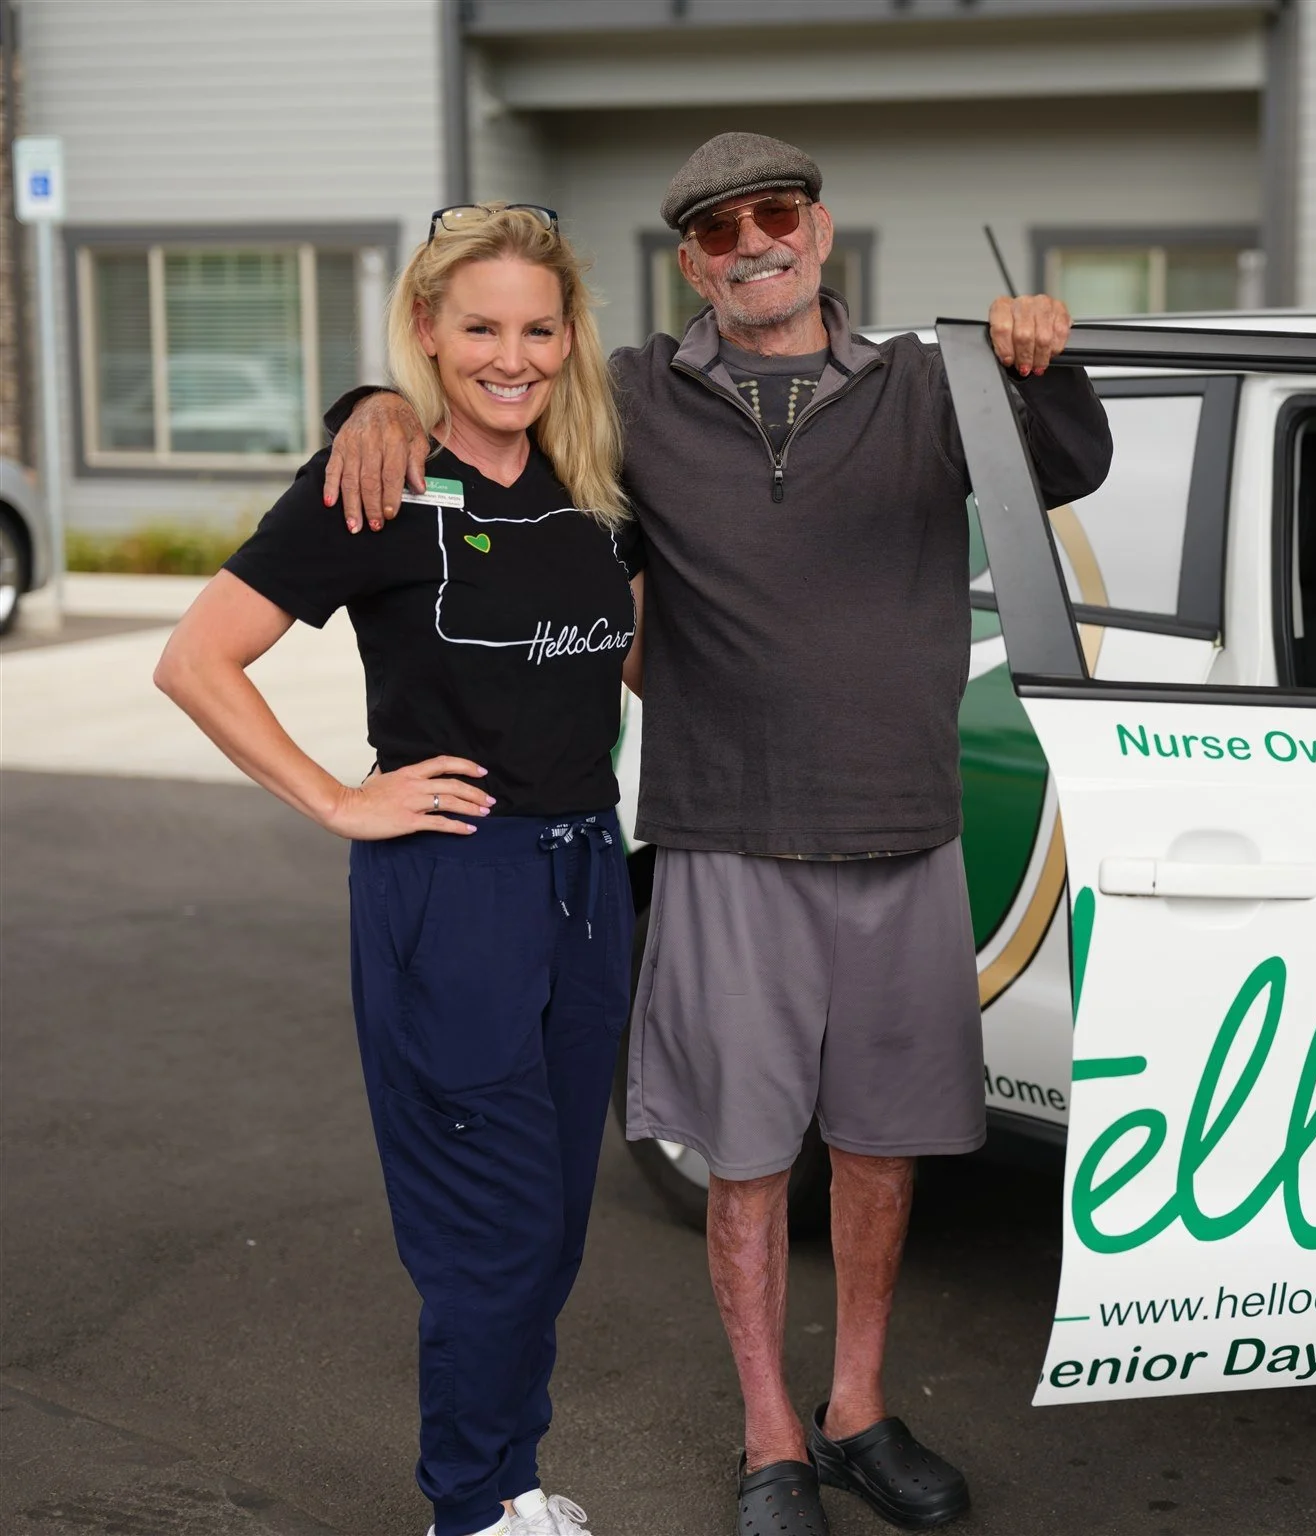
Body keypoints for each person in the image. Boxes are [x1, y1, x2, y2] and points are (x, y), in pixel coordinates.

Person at [326, 132, 1113, 1535]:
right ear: (690, 263)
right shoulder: (630, 396)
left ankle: (857, 1410)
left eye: (776, 214)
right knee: (747, 1159)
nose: (754, 243)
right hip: (724, 833)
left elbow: (1075, 466)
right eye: (718, 229)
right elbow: (490, 396)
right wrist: (369, 406)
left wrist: (1044, 357)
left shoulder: (928, 385)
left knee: (880, 1148)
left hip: (902, 828)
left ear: (819, 228)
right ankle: (771, 1439)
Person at [156, 204, 641, 1536]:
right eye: (479, 327)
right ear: (426, 330)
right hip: (456, 880)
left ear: (570, 337)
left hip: (587, 877)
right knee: (490, 1225)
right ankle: (468, 1509)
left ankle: (512, 1481)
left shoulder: (596, 489)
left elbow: (643, 661)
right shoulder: (375, 478)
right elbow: (196, 660)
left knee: (552, 1222)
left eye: (537, 328)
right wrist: (334, 797)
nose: (510, 357)